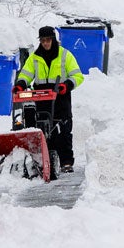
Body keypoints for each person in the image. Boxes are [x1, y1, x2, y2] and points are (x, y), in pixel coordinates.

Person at [14, 26, 84, 173]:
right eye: (43, 40)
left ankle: (66, 161)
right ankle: (41, 159)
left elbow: (77, 76)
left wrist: (67, 85)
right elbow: (26, 74)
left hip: (60, 96)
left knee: (63, 129)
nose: (46, 43)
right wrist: (20, 85)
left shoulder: (65, 55)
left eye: (48, 40)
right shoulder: (35, 57)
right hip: (41, 97)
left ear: (53, 40)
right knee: (40, 126)